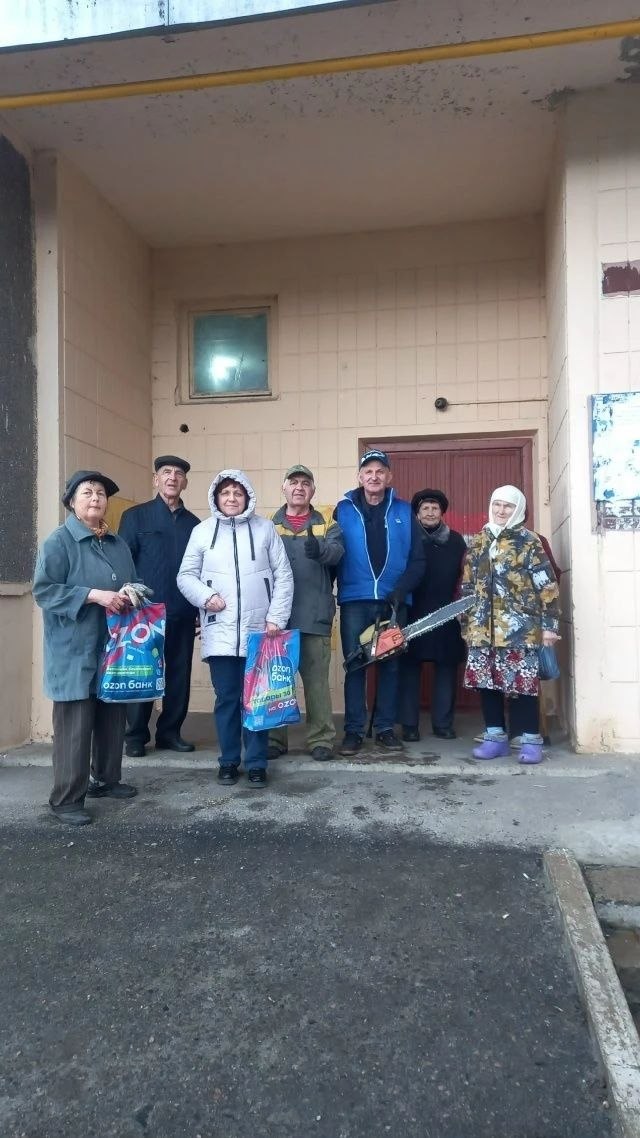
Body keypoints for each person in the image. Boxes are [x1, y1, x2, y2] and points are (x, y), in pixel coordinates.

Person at [33, 471, 139, 826]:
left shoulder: (117, 543)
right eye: (87, 492)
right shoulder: (59, 542)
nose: (96, 498)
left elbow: (134, 581)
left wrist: (131, 594)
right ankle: (66, 800)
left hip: (112, 647)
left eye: (101, 494)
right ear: (71, 501)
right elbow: (44, 590)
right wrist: (93, 595)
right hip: (74, 648)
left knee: (112, 716)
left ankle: (106, 779)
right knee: (75, 726)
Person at [177, 469, 294, 788]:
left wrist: (276, 617)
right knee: (227, 699)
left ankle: (256, 763)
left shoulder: (265, 529)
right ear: (216, 497)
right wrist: (207, 597)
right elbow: (186, 576)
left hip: (260, 631)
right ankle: (228, 761)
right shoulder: (202, 532)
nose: (231, 498)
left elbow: (283, 576)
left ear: (247, 497)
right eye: (225, 493)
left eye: (237, 493)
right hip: (221, 631)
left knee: (257, 699)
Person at [460, 484, 561, 766]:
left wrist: (549, 626)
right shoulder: (479, 540)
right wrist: (466, 624)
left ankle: (530, 740)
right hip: (481, 628)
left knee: (524, 685)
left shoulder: (529, 541)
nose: (501, 510)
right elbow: (468, 584)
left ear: (518, 510)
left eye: (508, 506)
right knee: (487, 683)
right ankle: (495, 739)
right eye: (497, 504)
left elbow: (547, 586)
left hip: (520, 628)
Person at [335, 449, 426, 756]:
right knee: (355, 666)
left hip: (393, 602)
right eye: (368, 472)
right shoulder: (342, 510)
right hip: (354, 601)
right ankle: (354, 731)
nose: (374, 477)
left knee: (390, 666)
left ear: (389, 477)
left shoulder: (404, 511)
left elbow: (418, 560)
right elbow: (332, 555)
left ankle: (385, 728)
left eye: (380, 471)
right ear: (360, 477)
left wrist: (402, 590)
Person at [118, 456, 200, 756]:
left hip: (182, 611)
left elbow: (201, 571)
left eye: (178, 473)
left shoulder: (195, 525)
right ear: (156, 479)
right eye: (166, 472)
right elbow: (123, 562)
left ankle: (170, 733)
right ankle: (135, 736)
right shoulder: (135, 517)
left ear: (185, 482)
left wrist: (199, 610)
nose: (172, 478)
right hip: (144, 612)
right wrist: (127, 600)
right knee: (142, 672)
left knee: (178, 673)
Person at [269, 464, 344, 762]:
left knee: (316, 685)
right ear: (284, 488)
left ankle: (321, 739)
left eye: (305, 483)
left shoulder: (327, 523)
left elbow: (337, 552)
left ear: (313, 490)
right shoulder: (268, 525)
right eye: (293, 482)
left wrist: (320, 551)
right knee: (277, 682)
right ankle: (274, 739)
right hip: (277, 619)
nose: (299, 487)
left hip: (315, 616)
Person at [398, 489, 467, 741]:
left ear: (442, 512)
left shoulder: (456, 541)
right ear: (417, 513)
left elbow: (464, 576)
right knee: (408, 668)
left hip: (446, 612)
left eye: (434, 508)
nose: (430, 512)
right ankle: (409, 725)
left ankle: (443, 724)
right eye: (425, 508)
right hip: (412, 611)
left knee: (447, 667)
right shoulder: (406, 539)